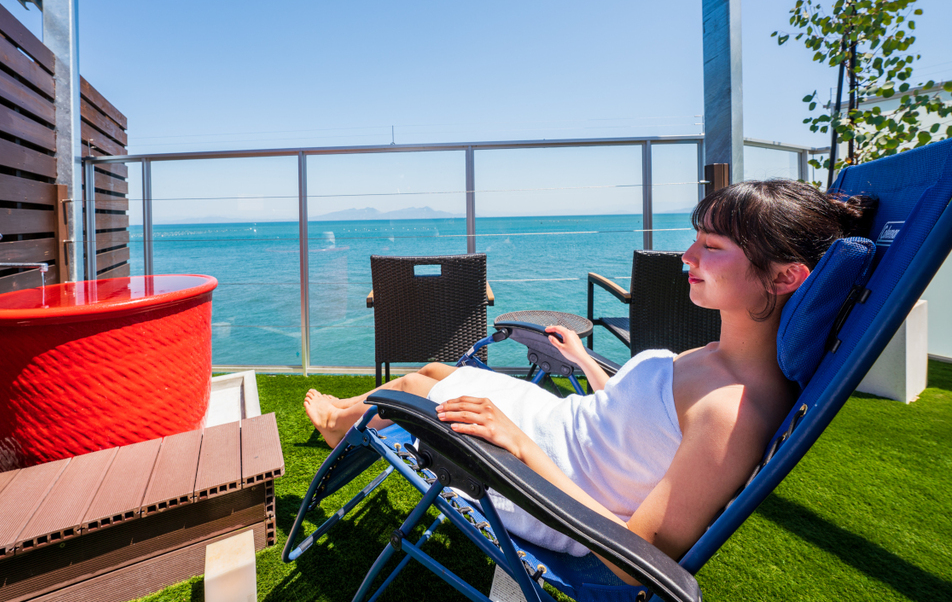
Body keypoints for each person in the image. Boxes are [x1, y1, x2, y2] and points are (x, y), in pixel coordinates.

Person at [303, 180, 875, 584]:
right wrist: (584, 363)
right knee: (438, 371)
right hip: (570, 432)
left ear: (786, 277)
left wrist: (521, 449)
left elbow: (637, 557)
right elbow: (638, 424)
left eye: (712, 247)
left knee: (409, 392)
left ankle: (338, 423)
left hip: (551, 489)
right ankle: (344, 421)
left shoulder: (735, 413)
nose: (686, 254)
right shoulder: (723, 356)